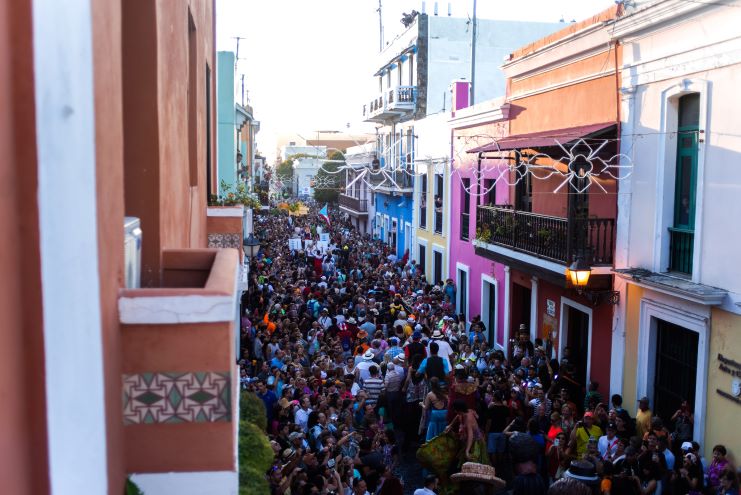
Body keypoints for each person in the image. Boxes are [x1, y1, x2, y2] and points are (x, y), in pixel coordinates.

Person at [448, 399, 489, 466]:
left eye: (455, 409)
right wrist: (450, 425)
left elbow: (471, 435)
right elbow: (457, 416)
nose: (454, 411)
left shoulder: (468, 419)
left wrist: (467, 450)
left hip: (476, 442)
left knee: (475, 462)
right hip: (468, 440)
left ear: (459, 409)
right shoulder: (466, 411)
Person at [422, 377, 448, 441]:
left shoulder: (430, 394)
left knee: (432, 433)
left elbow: (426, 407)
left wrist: (421, 404)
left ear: (430, 384)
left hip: (435, 414)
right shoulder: (444, 393)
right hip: (444, 413)